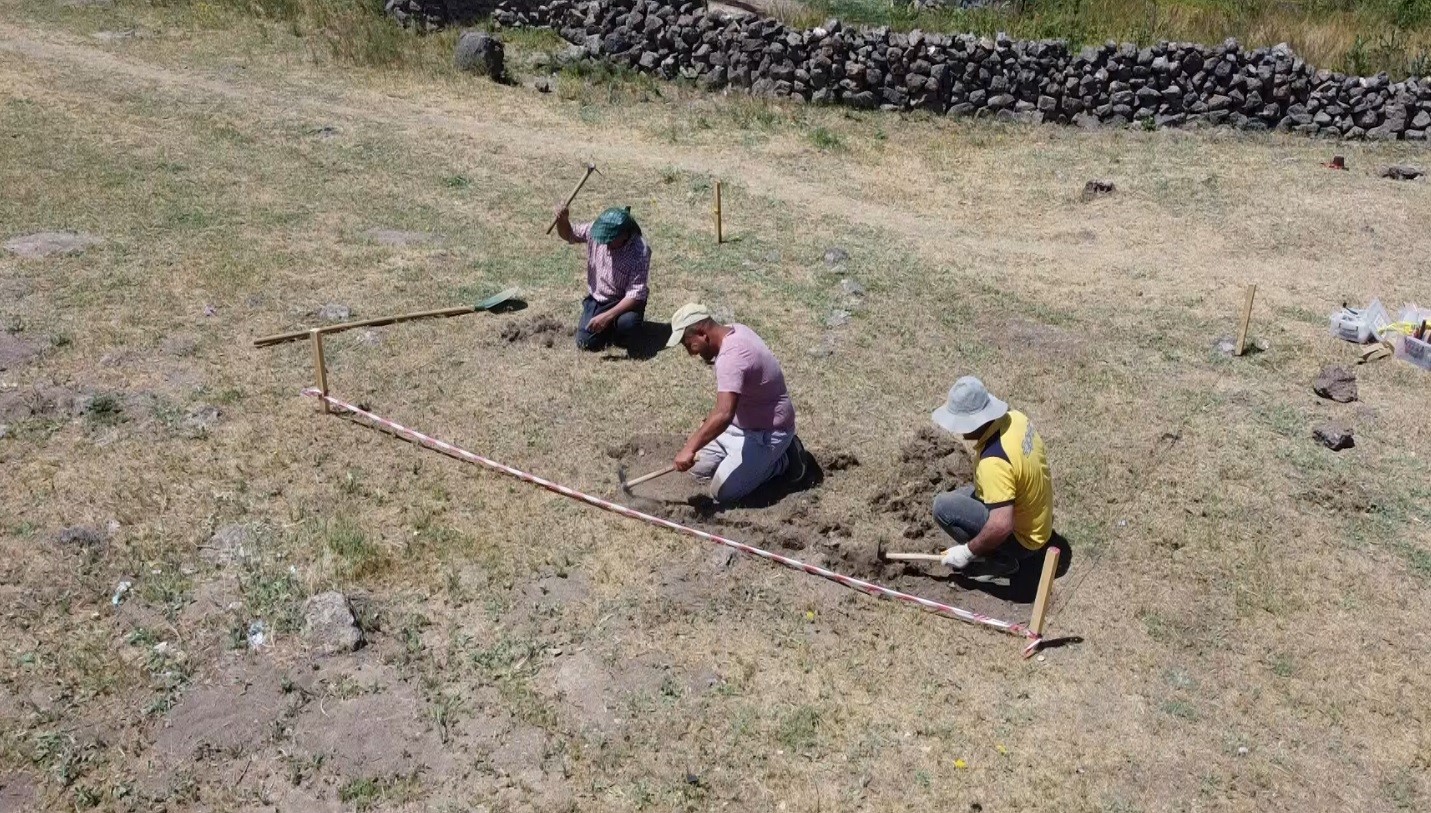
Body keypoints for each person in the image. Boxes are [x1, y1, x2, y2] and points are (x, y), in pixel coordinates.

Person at [666, 303, 806, 502]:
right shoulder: (735, 330)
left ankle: (783, 459)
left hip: (766, 434)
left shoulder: (731, 357)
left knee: (722, 493)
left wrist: (689, 448)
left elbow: (724, 414)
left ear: (702, 333)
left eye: (688, 344)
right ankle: (745, 462)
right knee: (697, 469)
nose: (691, 352)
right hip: (737, 427)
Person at [930, 376, 1054, 581]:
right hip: (1038, 521)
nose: (957, 431)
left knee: (943, 507)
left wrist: (967, 551)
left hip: (1024, 540)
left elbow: (1001, 525)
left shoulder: (994, 462)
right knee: (957, 498)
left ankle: (1000, 560)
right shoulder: (1015, 419)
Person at [553, 205, 651, 351]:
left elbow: (635, 295)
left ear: (625, 235)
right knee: (585, 343)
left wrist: (607, 316)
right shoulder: (596, 231)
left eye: (610, 240)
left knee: (628, 325)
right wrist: (563, 220)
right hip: (598, 300)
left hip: (623, 302)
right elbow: (568, 233)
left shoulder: (639, 251)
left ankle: (618, 330)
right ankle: (606, 327)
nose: (605, 244)